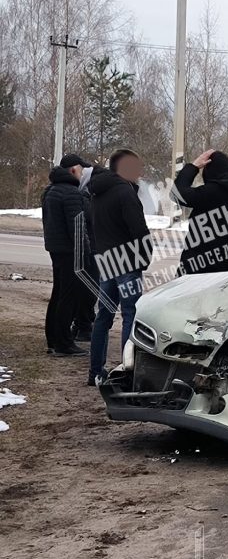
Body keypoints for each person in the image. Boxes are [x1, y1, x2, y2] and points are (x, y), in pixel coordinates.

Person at [89, 149, 152, 386]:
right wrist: (144, 258)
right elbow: (139, 230)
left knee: (103, 316)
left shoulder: (97, 191)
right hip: (127, 262)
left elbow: (93, 227)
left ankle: (95, 371)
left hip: (106, 260)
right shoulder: (124, 192)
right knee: (130, 316)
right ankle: (126, 373)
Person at [41, 155, 92, 357]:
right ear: (73, 170)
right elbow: (77, 228)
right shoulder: (71, 193)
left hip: (56, 249)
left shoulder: (51, 191)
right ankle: (64, 343)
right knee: (68, 297)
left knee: (58, 294)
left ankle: (53, 339)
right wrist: (85, 255)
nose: (82, 174)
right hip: (71, 252)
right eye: (81, 170)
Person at [72, 159, 98, 342]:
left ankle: (82, 323)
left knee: (88, 288)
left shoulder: (84, 194)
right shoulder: (84, 196)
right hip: (90, 247)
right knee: (89, 288)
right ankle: (83, 324)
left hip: (90, 246)